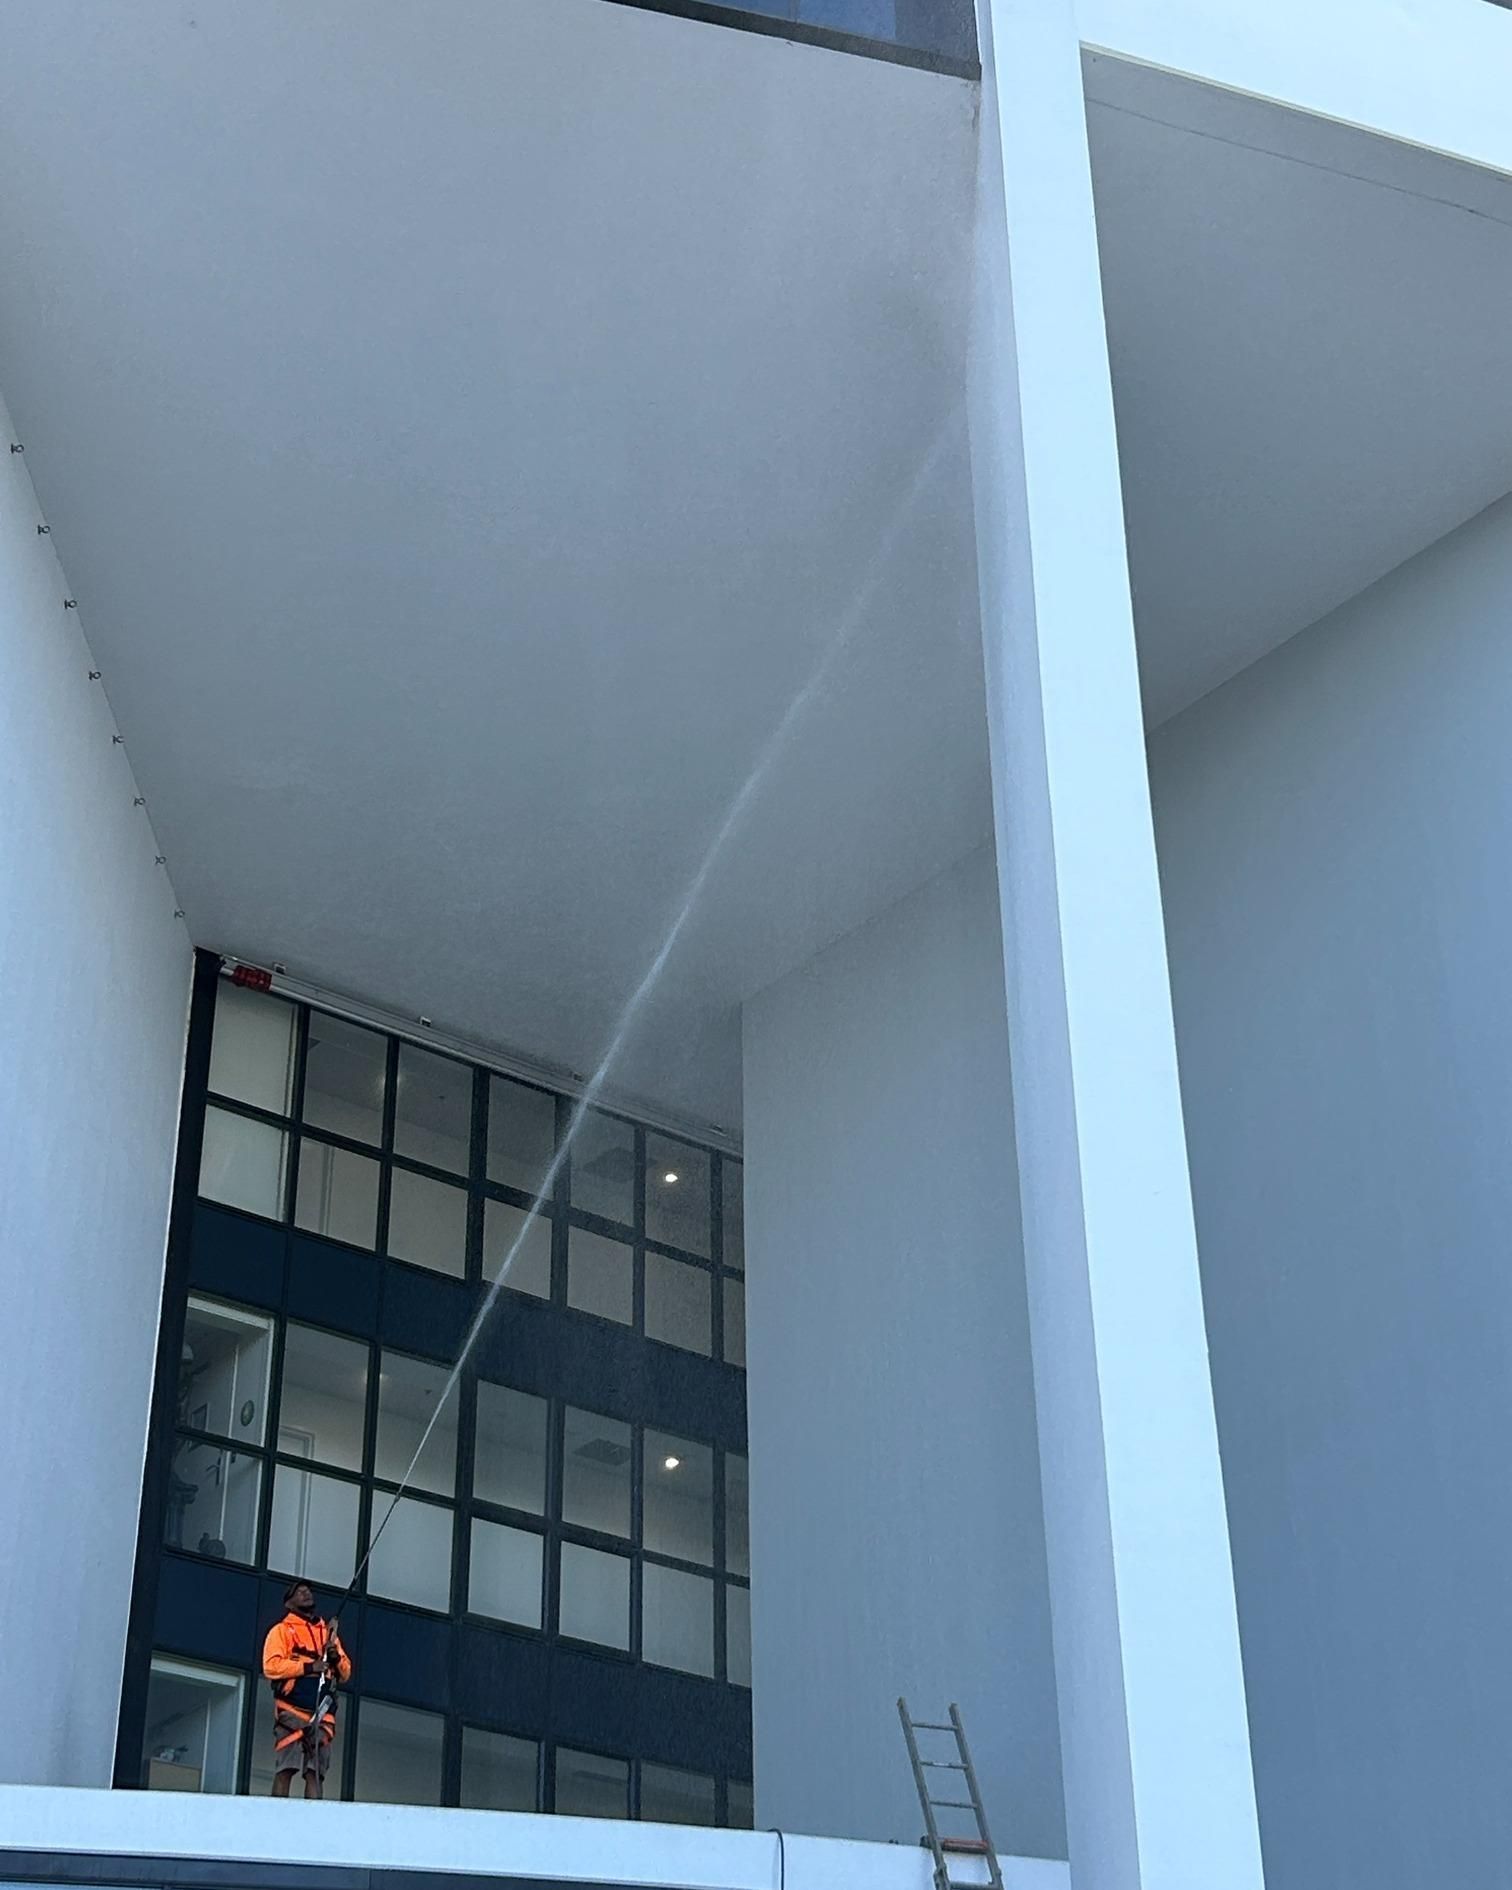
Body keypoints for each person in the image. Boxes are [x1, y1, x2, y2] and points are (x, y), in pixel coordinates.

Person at [261, 1580, 351, 1798]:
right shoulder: (282, 1631)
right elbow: (271, 1667)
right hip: (292, 1707)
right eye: (299, 1592)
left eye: (308, 1591)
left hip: (322, 1710)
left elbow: (346, 1673)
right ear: (288, 1603)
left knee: (316, 1771)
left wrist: (335, 1657)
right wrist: (309, 1666)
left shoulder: (328, 1634)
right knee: (286, 1766)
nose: (306, 1594)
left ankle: (314, 1819)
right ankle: (277, 1813)